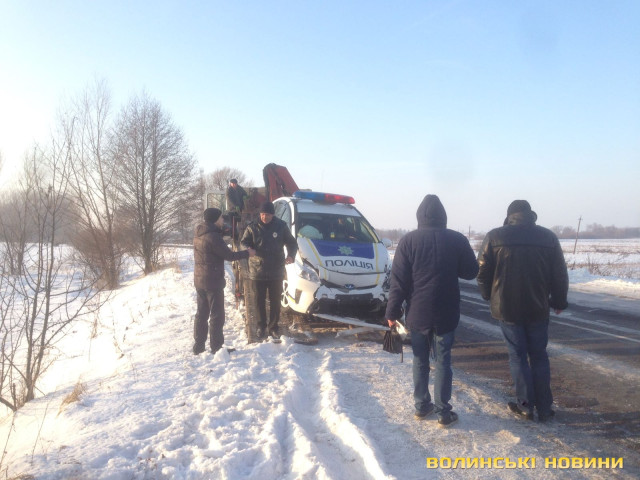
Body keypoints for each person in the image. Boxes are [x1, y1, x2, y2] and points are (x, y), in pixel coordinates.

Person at [386, 195, 479, 427]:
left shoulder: (408, 241)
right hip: (447, 312)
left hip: (418, 312)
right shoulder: (457, 239)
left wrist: (392, 312)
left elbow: (398, 282)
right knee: (443, 361)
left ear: (419, 216)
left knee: (420, 360)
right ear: (443, 216)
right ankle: (443, 412)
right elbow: (471, 272)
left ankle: (421, 407)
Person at [477, 200, 568, 422]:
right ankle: (544, 408)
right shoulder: (548, 237)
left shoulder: (495, 237)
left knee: (517, 357)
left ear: (509, 216)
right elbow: (559, 273)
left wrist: (488, 295)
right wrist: (558, 300)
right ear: (531, 214)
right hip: (538, 307)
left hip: (506, 308)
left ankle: (525, 406)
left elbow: (482, 271)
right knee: (539, 356)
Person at [193, 207, 255, 354]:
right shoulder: (213, 237)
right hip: (213, 281)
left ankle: (198, 346)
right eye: (221, 218)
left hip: (200, 279)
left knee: (201, 314)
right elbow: (229, 256)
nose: (223, 220)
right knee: (217, 315)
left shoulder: (200, 233)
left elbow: (212, 244)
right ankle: (217, 348)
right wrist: (248, 253)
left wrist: (222, 232)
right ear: (215, 219)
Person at [240, 201, 298, 341]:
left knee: (275, 300)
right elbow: (243, 242)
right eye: (262, 214)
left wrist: (291, 255)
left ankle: (273, 327)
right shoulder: (252, 227)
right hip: (257, 269)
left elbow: (292, 243)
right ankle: (261, 326)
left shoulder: (281, 226)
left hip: (276, 270)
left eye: (267, 214)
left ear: (272, 215)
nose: (264, 217)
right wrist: (248, 249)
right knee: (258, 300)